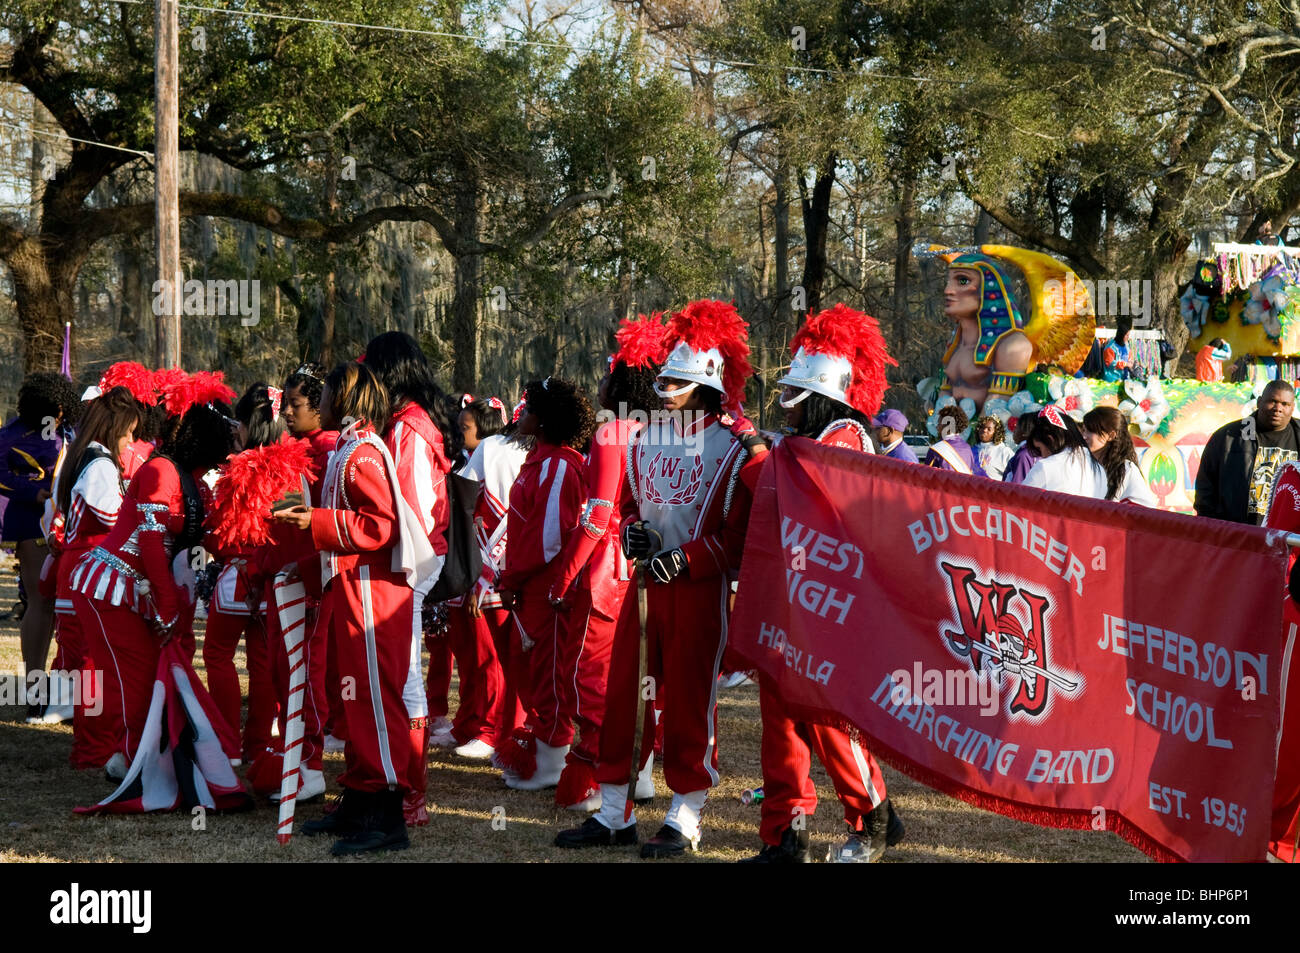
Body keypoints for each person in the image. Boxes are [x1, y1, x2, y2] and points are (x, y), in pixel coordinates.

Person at [556, 298, 763, 859]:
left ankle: (685, 814)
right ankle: (615, 809)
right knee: (627, 693)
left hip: (698, 594)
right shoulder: (645, 436)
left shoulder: (735, 446)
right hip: (645, 589)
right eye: (666, 377)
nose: (666, 387)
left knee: (691, 699)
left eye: (680, 379)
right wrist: (633, 535)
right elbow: (625, 508)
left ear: (708, 383)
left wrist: (688, 560)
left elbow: (738, 538)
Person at [743, 303, 904, 864]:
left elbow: (814, 500)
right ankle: (786, 833)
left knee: (830, 719)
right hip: (790, 600)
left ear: (823, 394)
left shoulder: (847, 437)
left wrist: (762, 457)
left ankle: (875, 818)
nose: (787, 406)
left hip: (831, 609)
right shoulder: (806, 439)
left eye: (797, 395)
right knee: (781, 719)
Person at [274, 361, 439, 855]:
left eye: (323, 394)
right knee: (355, 701)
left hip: (372, 593)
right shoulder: (351, 446)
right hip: (353, 588)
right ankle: (361, 797)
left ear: (343, 398)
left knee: (375, 701)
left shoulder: (361, 452)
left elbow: (381, 525)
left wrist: (317, 523)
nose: (316, 403)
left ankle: (388, 815)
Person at [69, 372, 237, 777]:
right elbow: (150, 543)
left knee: (149, 678)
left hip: (136, 591)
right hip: (109, 590)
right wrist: (166, 605)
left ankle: (135, 758)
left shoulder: (194, 481)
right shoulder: (161, 471)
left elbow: (211, 539)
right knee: (138, 680)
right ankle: (135, 762)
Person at [546, 314, 666, 810]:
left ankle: (594, 776)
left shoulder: (612, 431)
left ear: (620, 379)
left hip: (606, 571)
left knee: (588, 677)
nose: (599, 378)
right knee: (639, 677)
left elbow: (597, 516)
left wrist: (563, 576)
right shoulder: (665, 430)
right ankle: (638, 770)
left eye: (607, 368)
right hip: (651, 570)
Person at [362, 332, 456, 824]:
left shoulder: (409, 428)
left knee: (405, 677)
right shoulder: (408, 422)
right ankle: (399, 785)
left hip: (411, 563)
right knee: (402, 675)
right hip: (411, 561)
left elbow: (413, 512)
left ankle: (411, 793)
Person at [494, 378, 594, 791]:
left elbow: (548, 537)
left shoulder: (558, 464)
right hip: (530, 585)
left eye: (530, 407)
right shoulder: (542, 459)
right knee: (534, 669)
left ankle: (552, 757)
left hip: (548, 589)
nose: (523, 414)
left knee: (549, 671)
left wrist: (511, 575)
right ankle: (543, 748)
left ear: (546, 418)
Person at [46, 386, 139, 764]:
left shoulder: (81, 455)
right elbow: (112, 519)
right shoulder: (99, 463)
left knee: (84, 659)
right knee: (94, 662)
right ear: (114, 426)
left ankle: (90, 743)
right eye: (129, 431)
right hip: (89, 566)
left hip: (77, 565)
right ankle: (94, 745)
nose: (132, 440)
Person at [203, 383, 285, 765]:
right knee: (262, 663)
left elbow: (220, 536)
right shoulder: (293, 468)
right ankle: (257, 746)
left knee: (217, 655)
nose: (234, 429)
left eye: (239, 421)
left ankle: (224, 741)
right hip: (274, 583)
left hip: (238, 577)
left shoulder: (238, 468)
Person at [449, 416, 532, 762]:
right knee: (506, 659)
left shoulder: (493, 448)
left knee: (493, 657)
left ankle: (494, 730)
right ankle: (505, 730)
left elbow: (469, 500)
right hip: (523, 565)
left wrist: (481, 574)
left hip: (497, 565)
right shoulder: (550, 456)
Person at [0, 371, 81, 720]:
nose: (62, 411)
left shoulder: (67, 432)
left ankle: (58, 686)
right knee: (40, 601)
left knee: (56, 604)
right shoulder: (11, 435)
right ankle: (35, 687)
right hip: (33, 523)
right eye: (57, 406)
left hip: (68, 523)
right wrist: (34, 492)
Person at [1195, 379, 1300, 525]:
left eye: (1285, 404)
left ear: (1292, 407)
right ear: (1259, 402)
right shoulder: (1228, 436)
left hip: (1287, 536)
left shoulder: (1298, 435)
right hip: (1235, 533)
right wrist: (1211, 525)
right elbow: (1205, 485)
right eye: (1272, 401)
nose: (1278, 408)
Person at [1019, 406, 1108, 499]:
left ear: (1051, 439)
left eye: (1040, 449)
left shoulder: (1046, 466)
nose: (1042, 455)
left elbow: (1018, 504)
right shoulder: (1099, 469)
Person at [1081, 406, 1157, 506]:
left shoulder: (1126, 469)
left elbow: (1143, 510)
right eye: (1084, 430)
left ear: (1111, 435)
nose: (1084, 436)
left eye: (1091, 431)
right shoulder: (1081, 463)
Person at [924, 405, 985, 476]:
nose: (937, 427)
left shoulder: (936, 450)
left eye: (939, 423)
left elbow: (927, 477)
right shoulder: (967, 448)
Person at [971, 415, 1013, 480]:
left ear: (996, 432)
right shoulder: (972, 449)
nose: (984, 430)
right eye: (982, 427)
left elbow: (1013, 476)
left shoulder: (1004, 451)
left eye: (989, 429)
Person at [1002, 414, 1040, 484]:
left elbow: (1017, 487)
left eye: (1016, 427)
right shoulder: (1036, 451)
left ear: (1025, 433)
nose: (1014, 431)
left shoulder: (1024, 455)